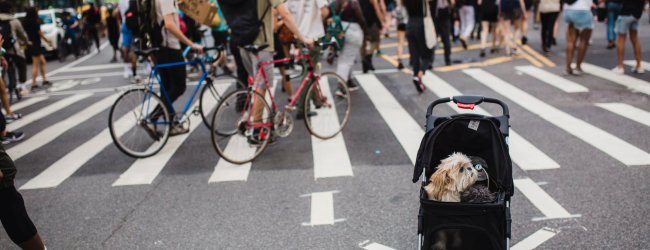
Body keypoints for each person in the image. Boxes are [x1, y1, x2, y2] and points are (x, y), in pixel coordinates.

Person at [152, 0, 204, 135]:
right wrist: (190, 44)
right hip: (170, 48)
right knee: (179, 87)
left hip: (161, 48)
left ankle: (172, 124)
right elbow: (169, 24)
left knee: (168, 88)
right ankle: (153, 117)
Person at [286, 0, 330, 119]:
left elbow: (286, 13)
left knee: (308, 69)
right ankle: (302, 108)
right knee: (308, 72)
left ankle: (315, 100)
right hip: (313, 36)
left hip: (300, 35)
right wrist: (313, 21)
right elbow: (325, 11)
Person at [331, 0, 368, 93]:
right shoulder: (353, 3)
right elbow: (361, 18)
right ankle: (341, 85)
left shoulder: (337, 2)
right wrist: (366, 32)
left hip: (340, 30)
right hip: (353, 30)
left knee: (345, 57)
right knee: (346, 60)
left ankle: (348, 80)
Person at [0, 0, 29, 102]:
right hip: (13, 50)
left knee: (1, 72)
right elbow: (23, 35)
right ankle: (22, 85)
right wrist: (27, 42)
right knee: (22, 64)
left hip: (1, 51)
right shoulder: (14, 20)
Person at [611, 0, 648, 74]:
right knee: (635, 39)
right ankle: (638, 65)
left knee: (621, 39)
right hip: (636, 14)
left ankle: (620, 66)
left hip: (626, 13)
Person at [22, 7, 53, 92]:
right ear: (34, 13)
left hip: (31, 44)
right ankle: (33, 84)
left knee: (42, 62)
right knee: (35, 64)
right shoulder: (35, 22)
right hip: (35, 44)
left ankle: (44, 80)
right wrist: (48, 41)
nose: (38, 12)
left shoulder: (25, 22)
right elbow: (40, 34)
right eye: (37, 11)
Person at [405, 0, 432, 93]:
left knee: (414, 54)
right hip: (422, 24)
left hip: (409, 25)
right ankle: (420, 74)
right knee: (427, 54)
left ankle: (416, 75)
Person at [563, 0, 593, 75]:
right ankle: (578, 67)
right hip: (584, 10)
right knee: (583, 40)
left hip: (569, 10)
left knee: (571, 41)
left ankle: (568, 67)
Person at [359, 0, 385, 73]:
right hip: (371, 21)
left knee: (362, 43)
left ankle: (364, 62)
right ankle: (368, 56)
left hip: (361, 22)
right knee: (376, 41)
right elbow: (377, 10)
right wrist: (381, 22)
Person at [434, 0, 454, 66]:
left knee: (446, 39)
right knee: (433, 39)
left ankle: (447, 59)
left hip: (445, 16)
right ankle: (429, 60)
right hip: (436, 16)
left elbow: (452, 3)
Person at [395, 0, 408, 68]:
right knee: (412, 42)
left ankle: (400, 60)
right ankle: (413, 59)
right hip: (408, 23)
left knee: (400, 43)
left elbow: (395, 14)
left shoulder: (398, 4)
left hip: (400, 24)